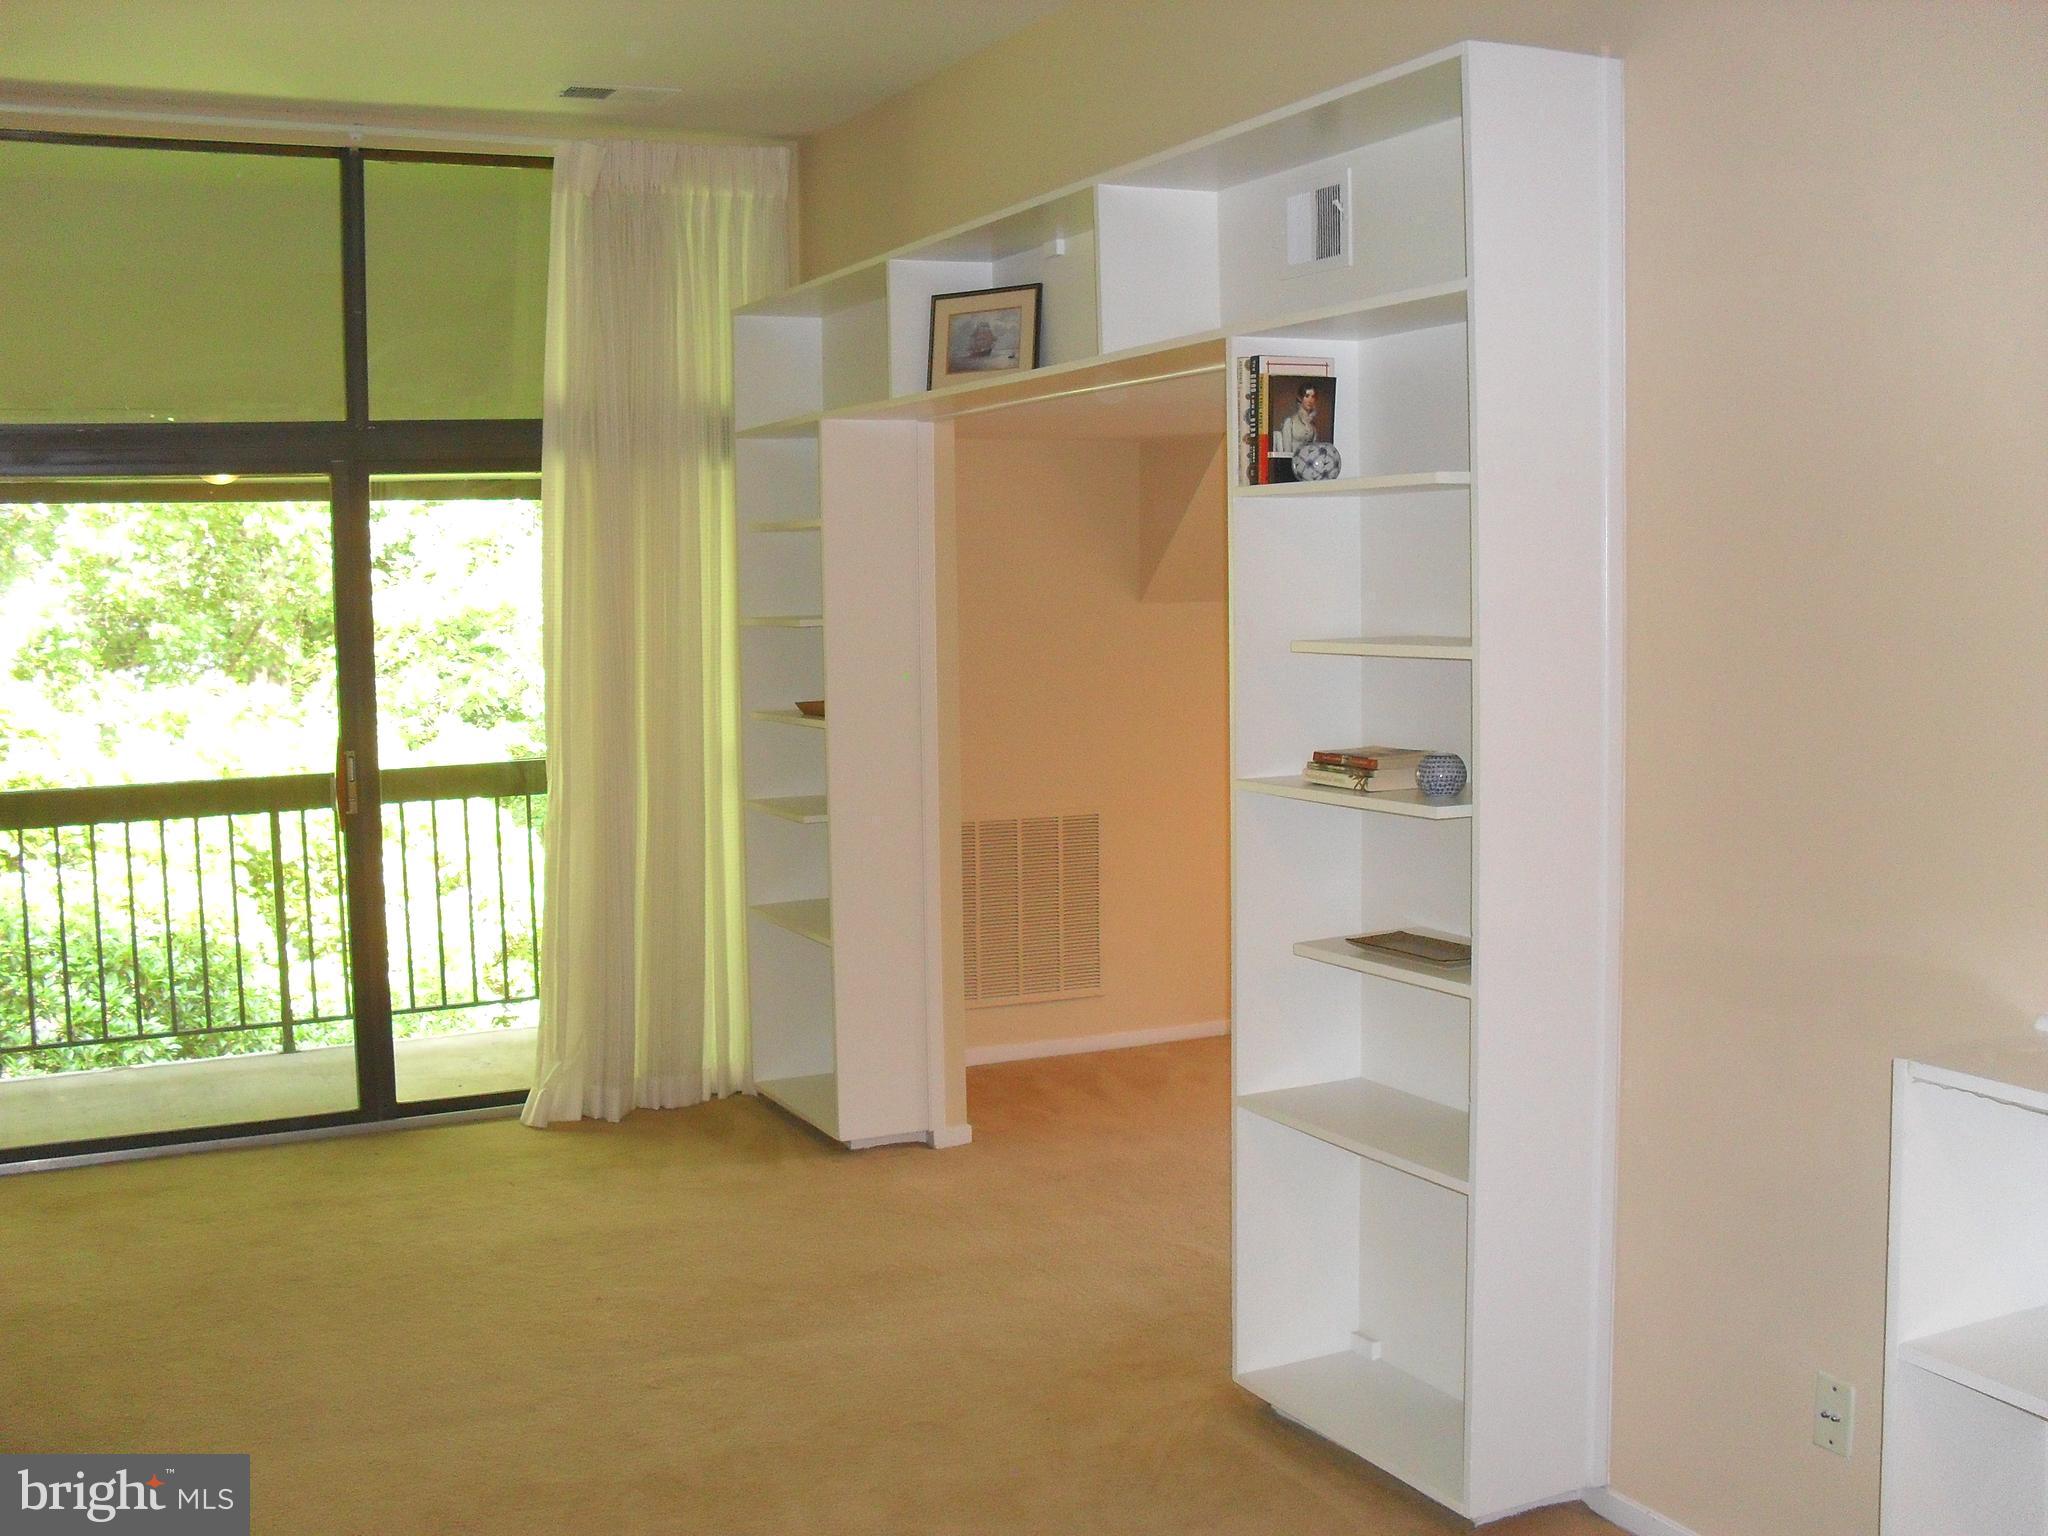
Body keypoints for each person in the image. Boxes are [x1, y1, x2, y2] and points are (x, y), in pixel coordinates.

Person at [1271, 382, 1323, 460]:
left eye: (1313, 397)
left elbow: (1314, 450)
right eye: (1307, 396)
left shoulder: (1312, 426)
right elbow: (1287, 452)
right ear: (1300, 398)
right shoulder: (1290, 422)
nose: (1310, 400)